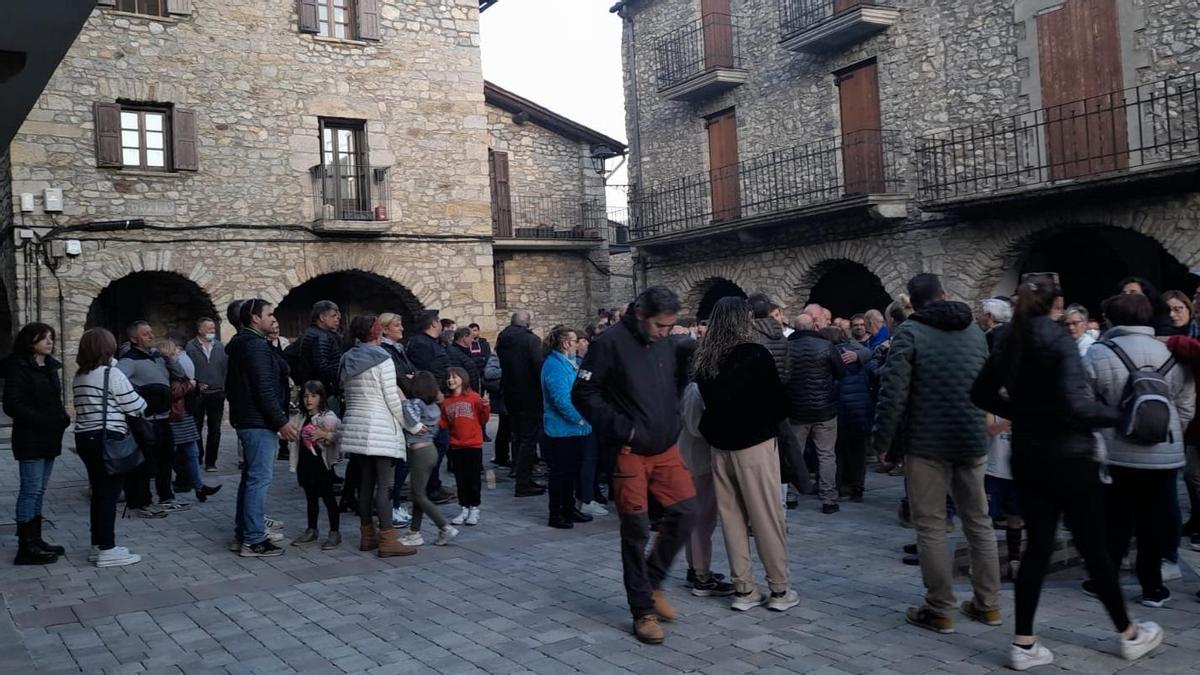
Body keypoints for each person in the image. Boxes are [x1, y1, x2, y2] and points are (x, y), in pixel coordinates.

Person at [973, 273, 1163, 669]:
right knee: (1093, 547)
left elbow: (980, 393)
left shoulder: (1008, 338)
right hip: (1069, 456)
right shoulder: (1057, 339)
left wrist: (1023, 414)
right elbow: (1077, 407)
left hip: (1027, 455)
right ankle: (1128, 634)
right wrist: (1122, 415)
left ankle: (1023, 643)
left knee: (1037, 547)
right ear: (1057, 304)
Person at [873, 273, 1000, 634]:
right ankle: (988, 604)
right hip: (971, 436)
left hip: (927, 442)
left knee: (930, 526)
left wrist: (884, 443)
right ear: (944, 294)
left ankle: (940, 607)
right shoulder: (975, 332)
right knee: (979, 522)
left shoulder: (910, 334)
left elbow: (893, 393)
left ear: (912, 302)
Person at [573, 286, 698, 645]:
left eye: (670, 327)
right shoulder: (608, 343)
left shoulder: (665, 341)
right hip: (629, 450)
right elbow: (582, 394)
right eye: (661, 325)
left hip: (665, 447)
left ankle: (653, 581)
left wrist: (672, 415)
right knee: (636, 530)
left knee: (687, 511)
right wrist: (623, 428)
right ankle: (642, 610)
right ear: (642, 315)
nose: (665, 332)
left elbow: (676, 380)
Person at [1084, 293, 1194, 607]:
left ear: (1111, 320)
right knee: (1154, 520)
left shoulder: (1098, 353)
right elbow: (1186, 405)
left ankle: (1104, 580)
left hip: (1116, 450)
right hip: (1165, 451)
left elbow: (1084, 404)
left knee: (1115, 518)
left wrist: (1098, 439)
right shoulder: (1169, 351)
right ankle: (1153, 587)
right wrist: (1171, 432)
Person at [692, 296, 797, 612]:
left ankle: (744, 588)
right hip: (754, 444)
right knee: (766, 517)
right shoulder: (754, 354)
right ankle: (778, 589)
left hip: (720, 445)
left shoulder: (706, 359)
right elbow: (778, 402)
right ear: (742, 320)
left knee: (733, 519)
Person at [338, 314, 419, 557]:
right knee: (384, 486)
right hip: (379, 426)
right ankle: (387, 540)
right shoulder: (383, 358)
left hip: (356, 425)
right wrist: (412, 426)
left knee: (365, 484)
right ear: (375, 332)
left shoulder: (347, 358)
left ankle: (367, 536)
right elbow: (392, 399)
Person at [71, 328, 149, 568]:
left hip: (85, 437)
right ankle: (107, 548)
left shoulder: (81, 374)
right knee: (108, 495)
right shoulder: (111, 374)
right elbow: (136, 405)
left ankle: (99, 544)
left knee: (99, 492)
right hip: (108, 438)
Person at [226, 298, 297, 558]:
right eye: (269, 314)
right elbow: (263, 388)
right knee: (258, 480)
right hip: (257, 422)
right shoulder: (254, 346)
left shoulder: (249, 344)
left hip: (250, 420)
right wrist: (281, 421)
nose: (273, 318)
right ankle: (254, 539)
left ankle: (243, 533)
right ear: (255, 318)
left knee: (251, 479)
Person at [3, 323, 71, 565]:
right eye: (44, 338)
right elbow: (13, 404)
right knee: (30, 490)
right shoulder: (18, 367)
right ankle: (25, 546)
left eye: (52, 338)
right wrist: (43, 420)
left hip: (50, 435)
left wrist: (62, 417)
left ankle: (36, 538)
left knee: (40, 489)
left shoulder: (49, 367)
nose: (50, 342)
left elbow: (54, 398)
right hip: (30, 436)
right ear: (30, 340)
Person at [118, 321, 181, 516]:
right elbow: (119, 382)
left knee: (166, 459)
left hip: (163, 417)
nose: (151, 336)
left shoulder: (157, 357)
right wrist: (142, 394)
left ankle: (166, 497)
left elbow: (179, 375)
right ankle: (142, 501)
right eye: (146, 334)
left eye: (151, 333)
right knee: (146, 463)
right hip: (147, 419)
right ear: (134, 338)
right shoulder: (129, 360)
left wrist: (169, 358)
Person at [677, 381, 733, 597]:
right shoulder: (695, 388)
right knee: (702, 520)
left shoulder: (697, 387)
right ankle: (702, 575)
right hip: (696, 460)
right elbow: (694, 426)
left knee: (700, 520)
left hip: (699, 459)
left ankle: (696, 569)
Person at [786, 314, 845, 513]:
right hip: (825, 409)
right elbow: (840, 372)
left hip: (796, 409)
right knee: (826, 454)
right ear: (813, 326)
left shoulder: (788, 347)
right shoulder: (825, 346)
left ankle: (791, 494)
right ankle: (829, 499)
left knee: (795, 453)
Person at [541, 326, 594, 529]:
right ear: (565, 343)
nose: (578, 343)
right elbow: (561, 399)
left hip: (573, 429)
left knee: (570, 472)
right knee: (560, 473)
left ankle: (569, 508)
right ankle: (556, 513)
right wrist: (579, 419)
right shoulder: (554, 365)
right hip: (562, 429)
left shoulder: (566, 362)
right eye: (574, 340)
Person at [155, 338, 220, 504]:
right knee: (172, 454)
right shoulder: (163, 367)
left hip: (183, 415)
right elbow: (172, 392)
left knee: (191, 452)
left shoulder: (175, 366)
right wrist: (190, 385)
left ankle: (199, 487)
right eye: (175, 350)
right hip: (174, 415)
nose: (178, 352)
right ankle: (171, 489)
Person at [399, 372, 457, 546]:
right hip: (429, 451)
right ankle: (414, 533)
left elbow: (409, 418)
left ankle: (444, 527)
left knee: (418, 494)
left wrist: (402, 398)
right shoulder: (434, 407)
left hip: (420, 452)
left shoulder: (415, 404)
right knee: (418, 493)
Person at [497, 310, 546, 497]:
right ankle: (524, 482)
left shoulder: (503, 339)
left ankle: (520, 474)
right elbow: (537, 368)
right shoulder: (530, 340)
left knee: (518, 436)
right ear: (527, 324)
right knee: (528, 439)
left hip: (510, 394)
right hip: (529, 396)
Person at [407, 310, 454, 504]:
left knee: (440, 442)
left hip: (436, 398)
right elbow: (426, 372)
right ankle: (428, 487)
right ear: (434, 324)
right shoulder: (421, 344)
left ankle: (432, 484)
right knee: (437, 442)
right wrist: (435, 392)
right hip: (429, 401)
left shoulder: (429, 343)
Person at [289, 381, 342, 550]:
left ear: (321, 397)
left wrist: (326, 434)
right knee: (310, 498)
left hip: (321, 465)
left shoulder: (328, 417)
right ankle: (312, 529)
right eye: (305, 396)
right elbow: (290, 431)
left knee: (328, 498)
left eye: (313, 396)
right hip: (305, 464)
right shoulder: (300, 416)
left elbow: (339, 433)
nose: (308, 400)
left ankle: (334, 532)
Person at [827, 326, 872, 503]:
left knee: (839, 451)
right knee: (858, 452)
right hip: (860, 409)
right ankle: (858, 489)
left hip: (839, 408)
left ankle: (839, 486)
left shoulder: (830, 355)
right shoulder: (860, 353)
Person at [379, 312, 416, 526]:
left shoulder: (398, 349)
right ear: (385, 329)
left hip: (405, 403)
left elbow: (412, 372)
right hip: (397, 408)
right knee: (400, 459)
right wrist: (411, 380)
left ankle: (394, 504)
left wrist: (414, 378)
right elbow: (400, 377)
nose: (401, 328)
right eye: (397, 325)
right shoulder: (385, 351)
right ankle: (390, 505)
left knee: (405, 458)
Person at [443, 366, 489, 527]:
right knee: (460, 478)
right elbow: (443, 423)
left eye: (454, 377)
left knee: (473, 478)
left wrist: (485, 405)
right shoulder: (446, 402)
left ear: (463, 378)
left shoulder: (474, 398)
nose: (451, 380)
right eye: (448, 377)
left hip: (473, 445)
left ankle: (474, 508)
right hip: (456, 446)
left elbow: (483, 418)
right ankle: (463, 507)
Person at [1167, 333, 1200, 552]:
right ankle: (1196, 519)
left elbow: (1187, 347)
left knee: (1194, 474)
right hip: (1196, 421)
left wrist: (1169, 338)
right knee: (1191, 474)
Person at [983, 412, 1021, 581]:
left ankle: (1014, 560)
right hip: (994, 471)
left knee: (1015, 517)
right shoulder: (992, 408)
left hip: (1018, 473)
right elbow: (991, 429)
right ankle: (982, 561)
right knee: (985, 518)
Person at [185, 317, 227, 472]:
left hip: (217, 393)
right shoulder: (190, 347)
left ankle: (211, 462)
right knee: (196, 426)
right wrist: (195, 382)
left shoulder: (220, 347)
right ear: (200, 330)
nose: (212, 331)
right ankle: (198, 457)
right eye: (208, 328)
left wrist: (224, 386)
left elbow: (226, 368)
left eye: (213, 328)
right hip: (198, 395)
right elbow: (185, 370)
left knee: (215, 429)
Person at [299, 300, 344, 410]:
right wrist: (335, 382)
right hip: (323, 390)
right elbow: (321, 365)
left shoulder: (316, 333)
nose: (337, 319)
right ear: (322, 317)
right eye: (333, 316)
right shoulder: (320, 336)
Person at [447, 327, 481, 392]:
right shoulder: (452, 353)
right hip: (464, 393)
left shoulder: (464, 352)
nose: (472, 340)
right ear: (465, 337)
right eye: (471, 337)